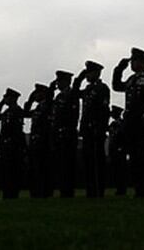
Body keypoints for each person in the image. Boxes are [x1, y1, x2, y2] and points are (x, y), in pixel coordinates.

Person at [112, 48, 144, 198]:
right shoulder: (131, 80)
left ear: (143, 62)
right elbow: (116, 86)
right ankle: (139, 189)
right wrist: (118, 69)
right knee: (135, 159)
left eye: (135, 61)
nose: (132, 64)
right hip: (131, 126)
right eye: (132, 61)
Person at [78, 61, 110, 198]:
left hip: (96, 130)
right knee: (88, 162)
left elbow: (104, 110)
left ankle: (98, 190)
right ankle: (90, 190)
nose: (87, 75)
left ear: (97, 73)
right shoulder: (88, 90)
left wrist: (100, 127)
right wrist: (78, 79)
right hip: (87, 131)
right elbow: (74, 93)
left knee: (97, 162)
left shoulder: (102, 88)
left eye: (89, 72)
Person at [51, 70, 80, 198]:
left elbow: (72, 115)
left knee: (68, 164)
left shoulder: (71, 94)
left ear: (66, 81)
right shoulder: (59, 97)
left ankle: (68, 191)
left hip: (68, 133)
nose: (58, 84)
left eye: (60, 81)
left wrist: (66, 129)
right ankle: (63, 190)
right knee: (61, 164)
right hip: (59, 134)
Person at [0, 88, 26, 199]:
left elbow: (17, 130)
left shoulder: (17, 111)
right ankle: (7, 193)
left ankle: (12, 193)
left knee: (13, 171)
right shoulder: (6, 112)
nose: (5, 99)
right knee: (5, 172)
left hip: (13, 146)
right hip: (5, 146)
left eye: (7, 97)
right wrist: (1, 103)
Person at [24, 82, 54, 198]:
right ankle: (37, 192)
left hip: (44, 141)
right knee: (35, 169)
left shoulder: (47, 105)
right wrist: (30, 100)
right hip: (36, 142)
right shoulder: (38, 107)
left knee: (44, 169)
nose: (35, 95)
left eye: (37, 93)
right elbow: (26, 113)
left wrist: (48, 92)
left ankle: (45, 192)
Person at [107, 105, 128, 196]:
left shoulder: (122, 124)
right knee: (116, 171)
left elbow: (124, 138)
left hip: (120, 150)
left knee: (121, 171)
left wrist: (122, 148)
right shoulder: (113, 125)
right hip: (113, 150)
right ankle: (118, 188)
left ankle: (122, 189)